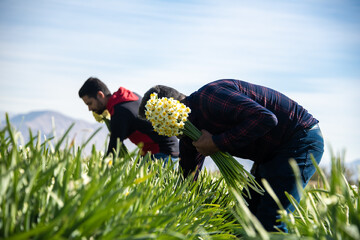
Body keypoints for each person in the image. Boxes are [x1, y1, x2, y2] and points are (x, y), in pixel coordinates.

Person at [138, 79, 324, 232]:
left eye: (160, 121)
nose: (162, 131)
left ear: (171, 108)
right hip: (271, 153)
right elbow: (188, 176)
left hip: (299, 139)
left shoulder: (209, 97)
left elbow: (266, 118)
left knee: (271, 222)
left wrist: (217, 143)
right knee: (241, 219)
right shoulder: (189, 134)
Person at [78, 77, 179, 162]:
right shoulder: (128, 97)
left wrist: (99, 171)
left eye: (90, 103)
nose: (89, 109)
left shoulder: (119, 111)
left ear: (100, 95)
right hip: (163, 149)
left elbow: (114, 149)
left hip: (162, 153)